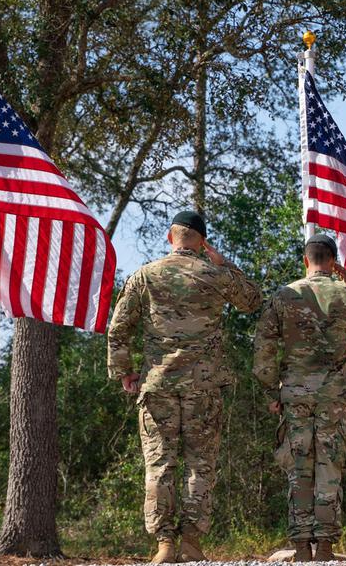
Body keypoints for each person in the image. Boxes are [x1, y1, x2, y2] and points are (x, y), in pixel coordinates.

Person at [107, 211, 262, 563]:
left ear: (169, 236)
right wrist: (226, 264)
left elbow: (119, 329)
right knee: (200, 465)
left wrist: (125, 372)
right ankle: (191, 543)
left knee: (160, 464)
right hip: (203, 387)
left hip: (157, 384)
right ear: (202, 241)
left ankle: (163, 544)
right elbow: (253, 300)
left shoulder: (145, 276)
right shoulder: (215, 275)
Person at [253, 233, 346, 562]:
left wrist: (270, 390)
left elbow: (263, 350)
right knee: (329, 466)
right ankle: (327, 546)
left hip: (295, 393)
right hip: (334, 395)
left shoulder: (284, 295)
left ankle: (302, 545)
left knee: (299, 467)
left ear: (306, 260)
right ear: (333, 262)